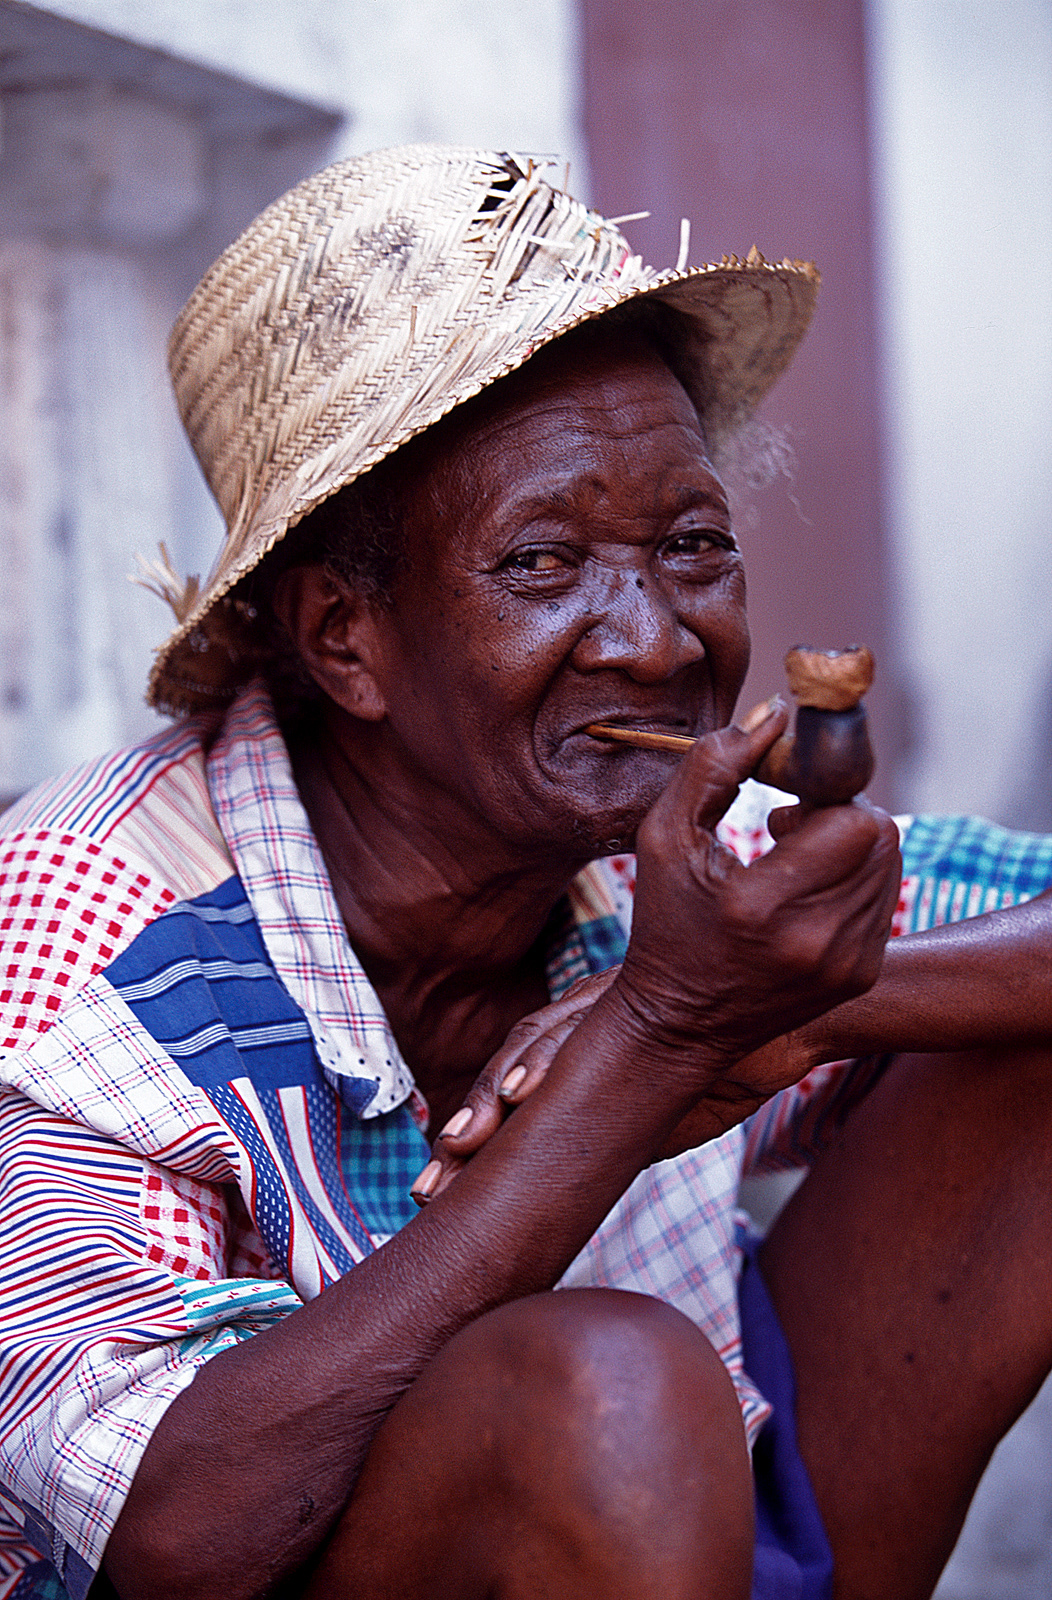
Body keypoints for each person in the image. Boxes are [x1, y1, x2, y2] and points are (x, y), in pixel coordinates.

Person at [1, 144, 1051, 1600]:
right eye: (544, 567)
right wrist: (656, 1039)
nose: (659, 641)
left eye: (693, 545)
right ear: (343, 641)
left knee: (1023, 1041)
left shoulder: (689, 855)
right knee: (600, 1391)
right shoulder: (90, 924)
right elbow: (178, 1527)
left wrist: (809, 1010)